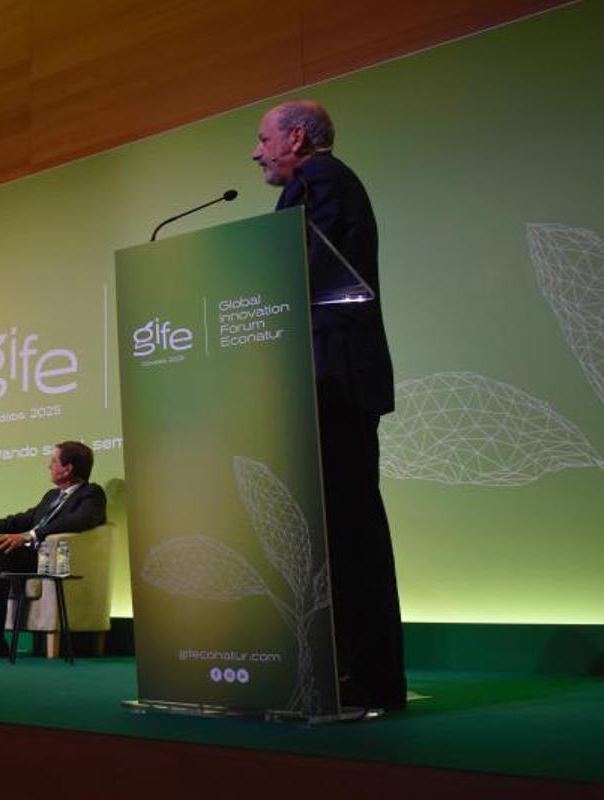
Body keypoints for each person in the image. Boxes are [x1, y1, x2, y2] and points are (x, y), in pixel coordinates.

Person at [252, 99, 406, 710]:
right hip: (335, 377)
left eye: (264, 139)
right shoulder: (330, 182)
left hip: (330, 379)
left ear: (296, 138)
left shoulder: (317, 180)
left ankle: (361, 676)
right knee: (343, 529)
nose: (257, 152)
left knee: (346, 532)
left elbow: (292, 273)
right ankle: (353, 672)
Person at [0, 441, 106, 659]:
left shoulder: (91, 493)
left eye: (54, 461)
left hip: (46, 557)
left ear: (68, 468)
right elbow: (20, 519)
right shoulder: (52, 496)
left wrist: (30, 535)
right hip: (24, 554)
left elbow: (80, 520)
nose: (49, 465)